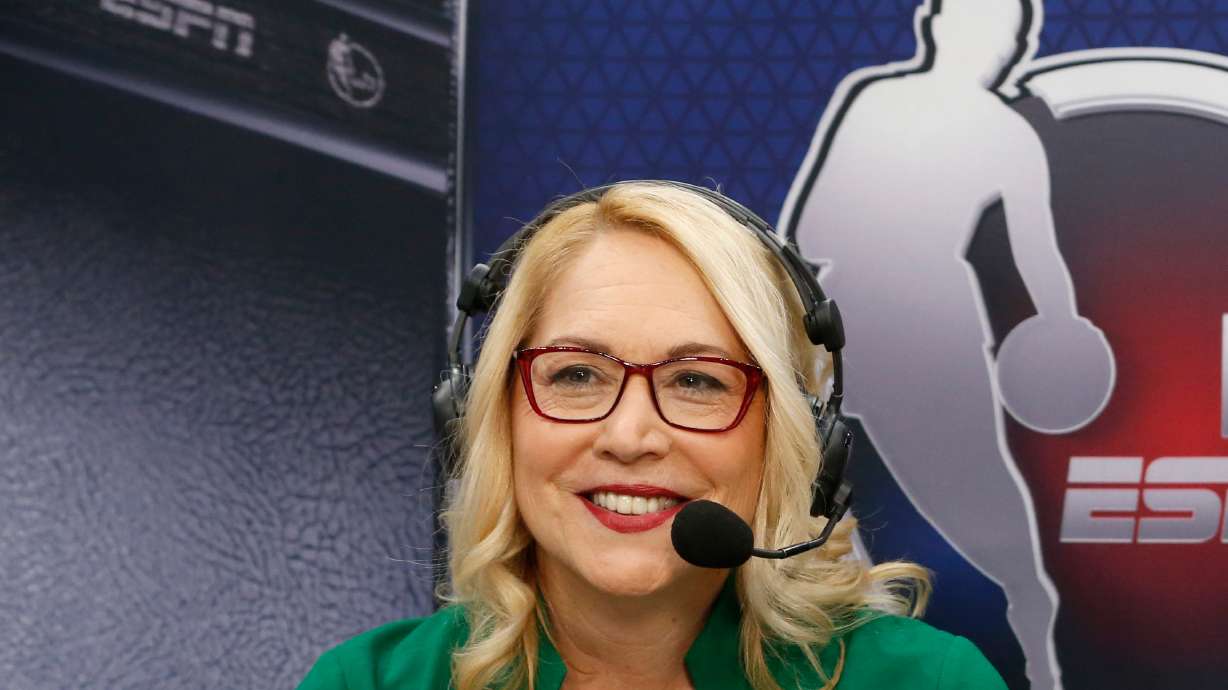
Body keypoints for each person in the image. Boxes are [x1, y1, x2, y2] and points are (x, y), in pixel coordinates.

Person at [296, 181, 1007, 689]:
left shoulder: (924, 681)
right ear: (492, 420)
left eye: (697, 381)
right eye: (576, 375)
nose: (630, 434)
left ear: (788, 438)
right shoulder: (368, 682)